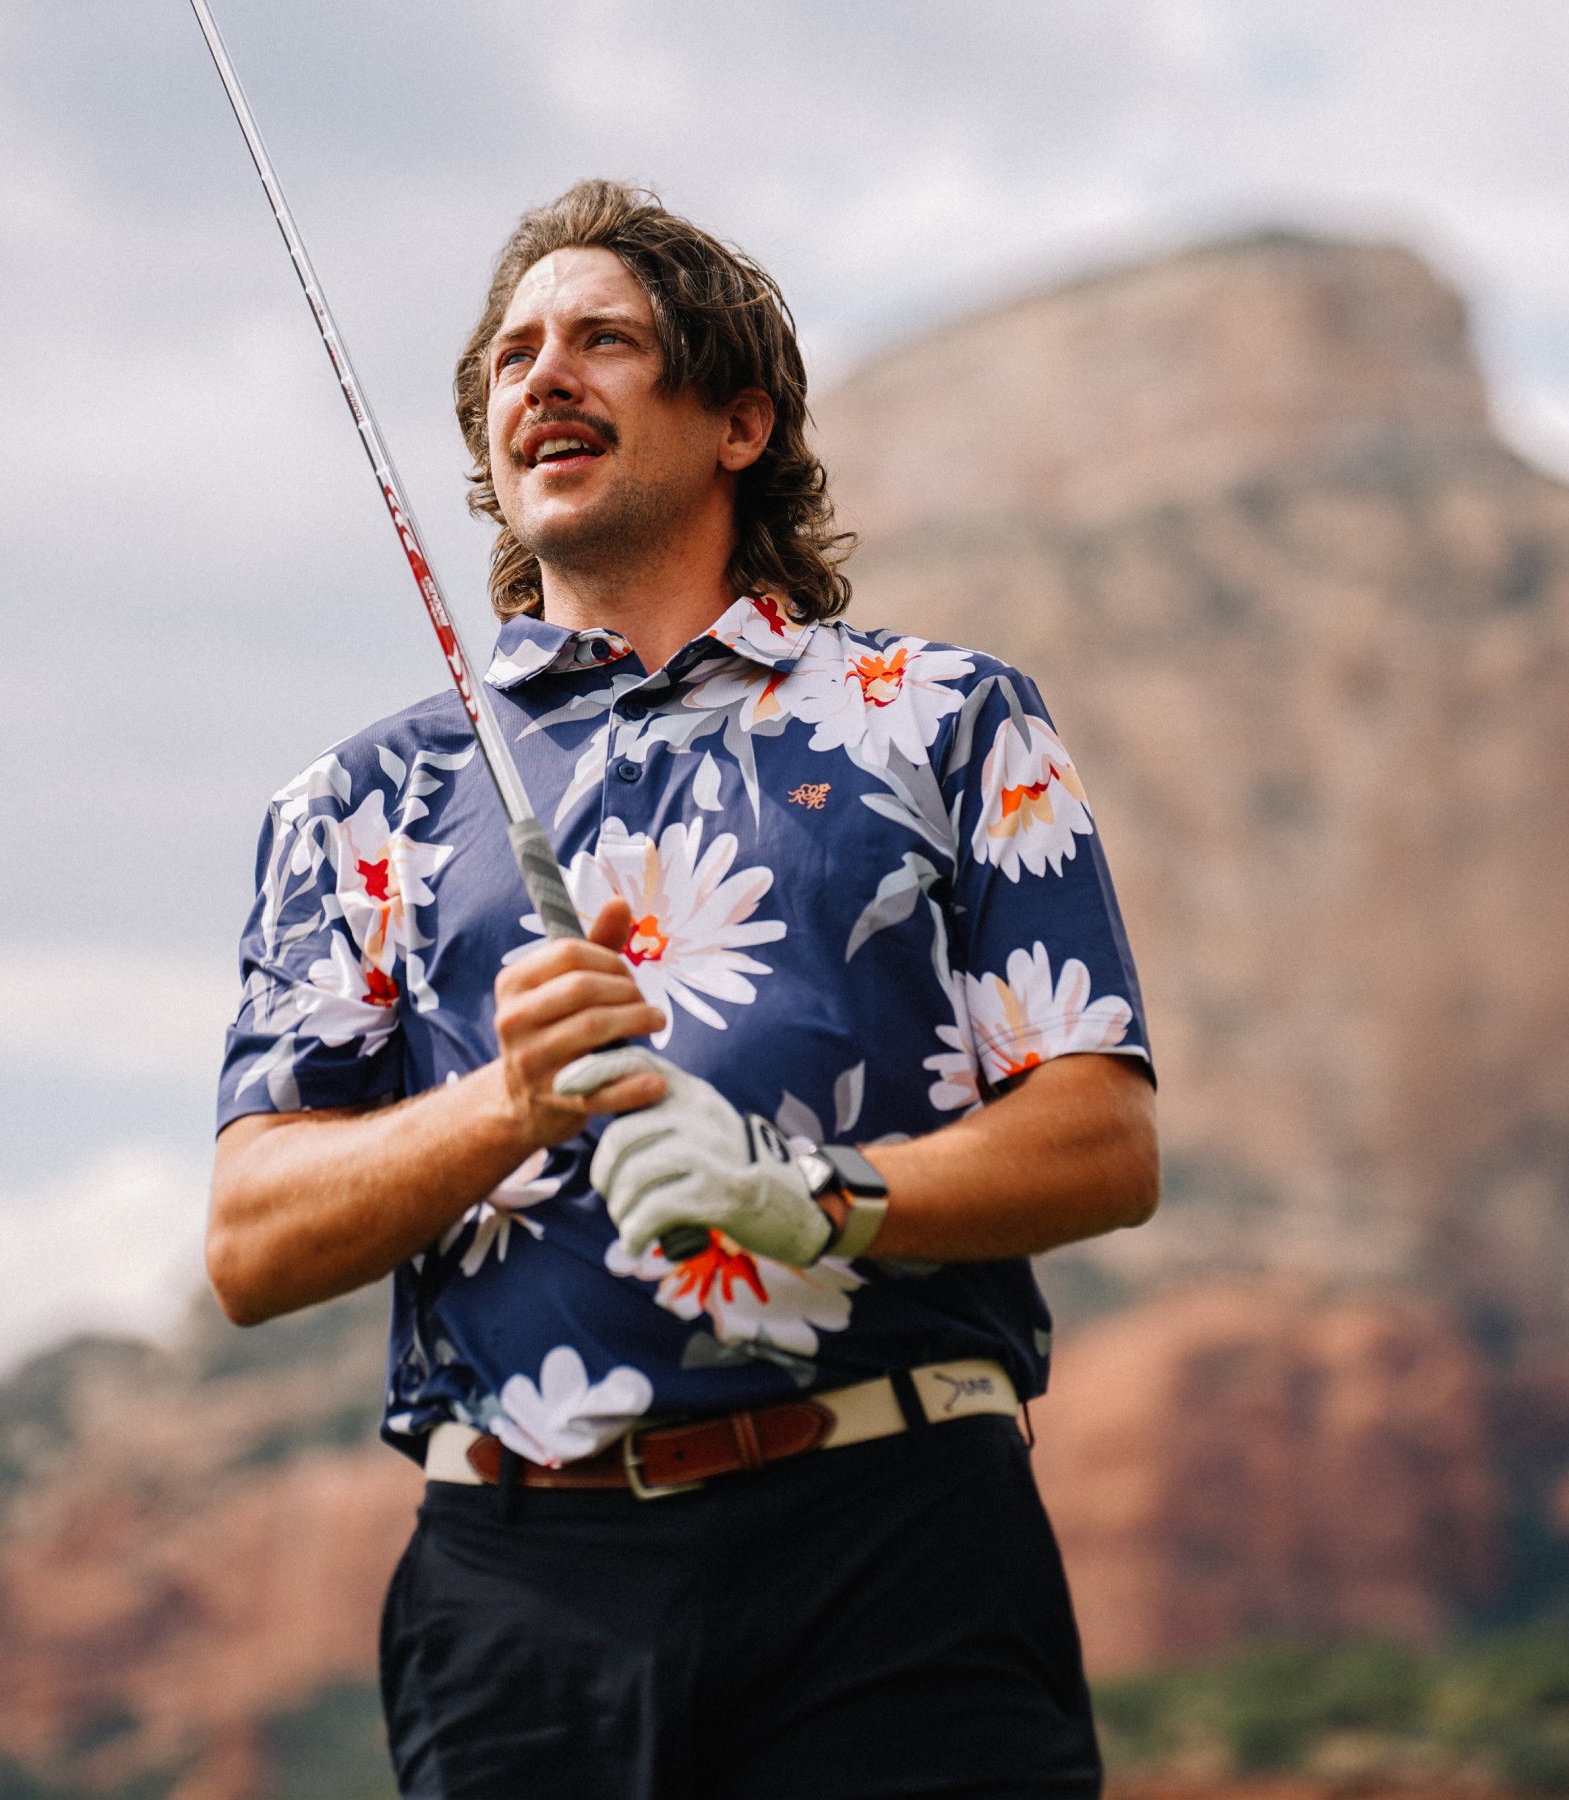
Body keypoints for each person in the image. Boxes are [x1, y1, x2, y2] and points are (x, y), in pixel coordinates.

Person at [208, 179, 1159, 1800]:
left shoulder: (942, 722)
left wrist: (811, 1195)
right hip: (520, 1594)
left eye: (603, 342)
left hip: (899, 1553)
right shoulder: (358, 802)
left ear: (739, 422)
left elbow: (1103, 1147)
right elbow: (252, 1240)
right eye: (512, 357)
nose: (542, 378)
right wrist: (506, 1106)